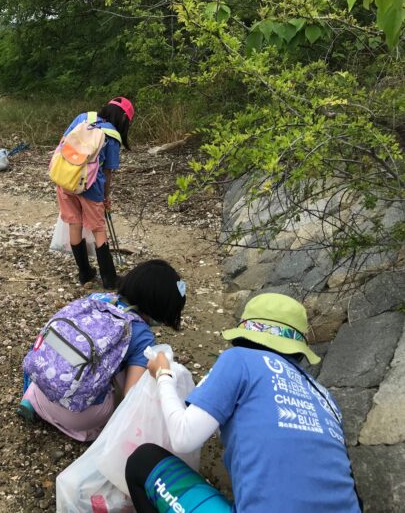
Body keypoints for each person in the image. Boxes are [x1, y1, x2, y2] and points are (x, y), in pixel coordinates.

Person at [126, 293, 361, 512]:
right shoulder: (325, 397)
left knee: (142, 461)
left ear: (243, 334)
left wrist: (163, 376)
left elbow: (183, 436)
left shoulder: (239, 359)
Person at [19, 259, 186, 442]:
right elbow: (133, 396)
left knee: (68, 355)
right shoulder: (141, 334)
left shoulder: (96, 298)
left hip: (40, 384)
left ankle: (33, 400)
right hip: (77, 415)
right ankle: (86, 429)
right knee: (138, 366)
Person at [56, 97, 134, 289]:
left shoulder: (83, 117)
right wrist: (106, 197)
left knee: (75, 224)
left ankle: (85, 274)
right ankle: (109, 278)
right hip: (91, 187)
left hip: (65, 179)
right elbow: (107, 172)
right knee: (98, 229)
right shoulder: (112, 136)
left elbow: (63, 144)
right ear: (124, 118)